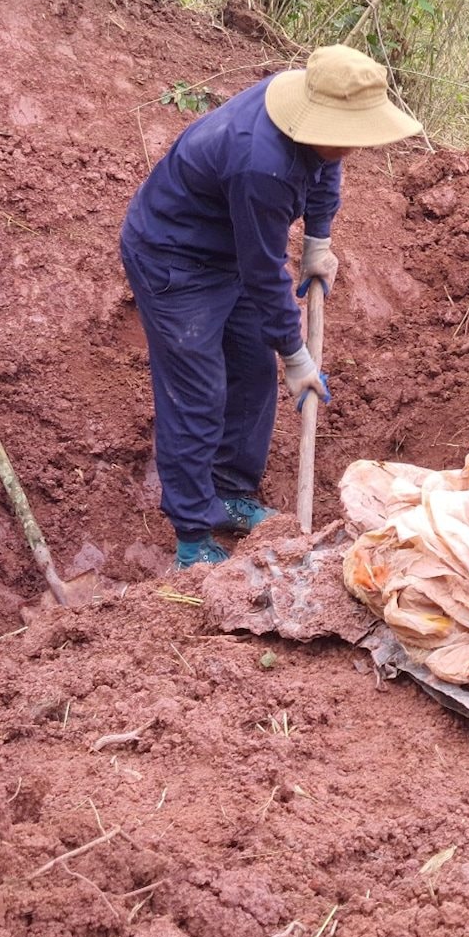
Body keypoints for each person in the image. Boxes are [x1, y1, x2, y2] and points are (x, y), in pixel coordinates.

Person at [121, 45, 419, 568]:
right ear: (319, 120)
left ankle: (230, 493)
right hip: (176, 258)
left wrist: (317, 241)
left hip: (229, 248)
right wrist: (298, 355)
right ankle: (192, 537)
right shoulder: (263, 165)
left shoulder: (309, 116)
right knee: (198, 394)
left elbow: (327, 167)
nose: (356, 145)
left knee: (253, 370)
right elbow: (263, 274)